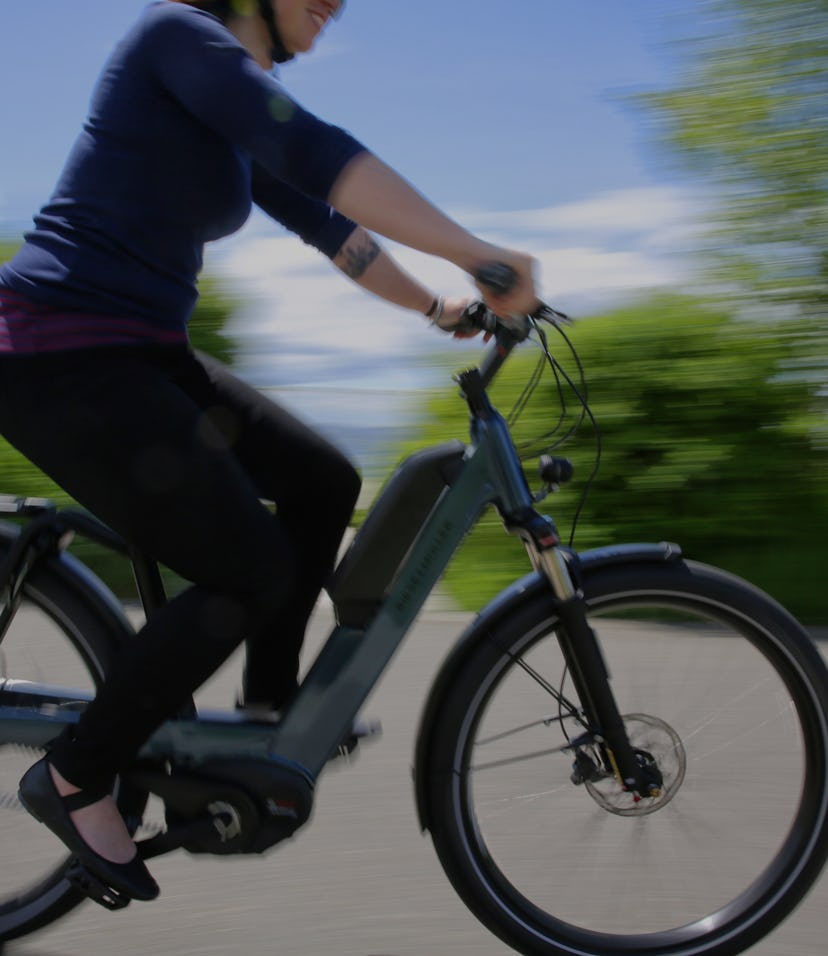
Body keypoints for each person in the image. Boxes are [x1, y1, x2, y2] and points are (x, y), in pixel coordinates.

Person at [0, 0, 539, 901]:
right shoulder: (177, 39)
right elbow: (324, 151)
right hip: (57, 353)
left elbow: (339, 230)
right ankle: (73, 775)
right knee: (247, 571)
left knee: (323, 481)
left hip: (142, 352)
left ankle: (267, 712)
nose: (337, 2)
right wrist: (481, 254)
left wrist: (441, 306)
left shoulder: (230, 109)